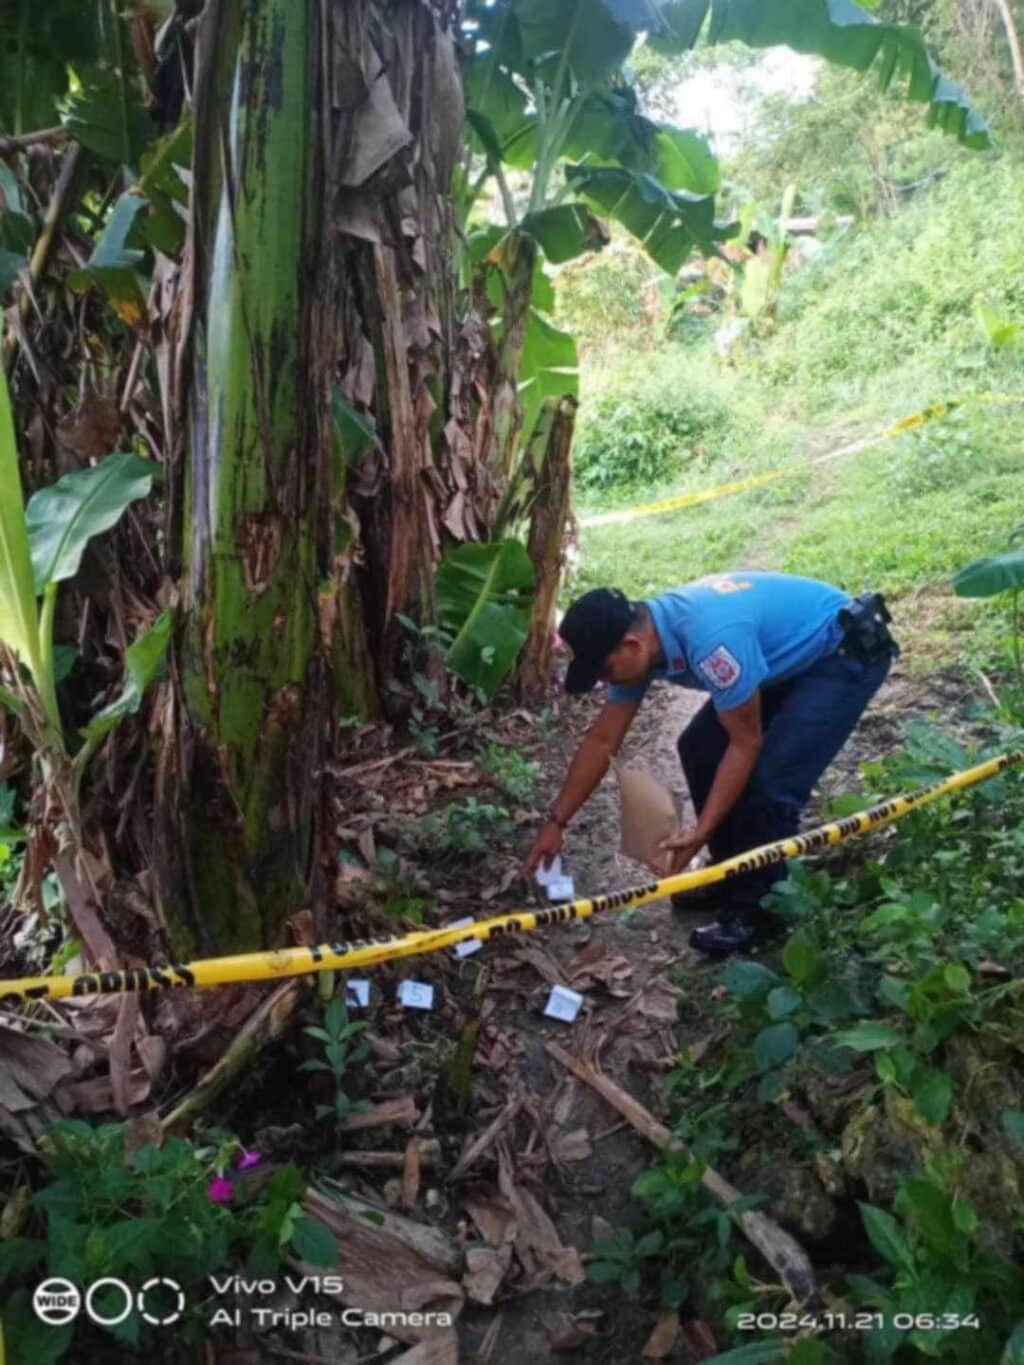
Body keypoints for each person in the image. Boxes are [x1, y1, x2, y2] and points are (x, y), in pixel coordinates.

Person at [521, 570, 898, 955]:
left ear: (631, 645)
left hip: (843, 653)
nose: (604, 681)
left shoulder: (710, 641)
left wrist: (701, 829)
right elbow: (602, 740)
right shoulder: (643, 644)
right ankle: (733, 867)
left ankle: (759, 909)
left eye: (603, 671)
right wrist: (557, 823)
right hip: (786, 655)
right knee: (699, 747)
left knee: (772, 783)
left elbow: (745, 742)